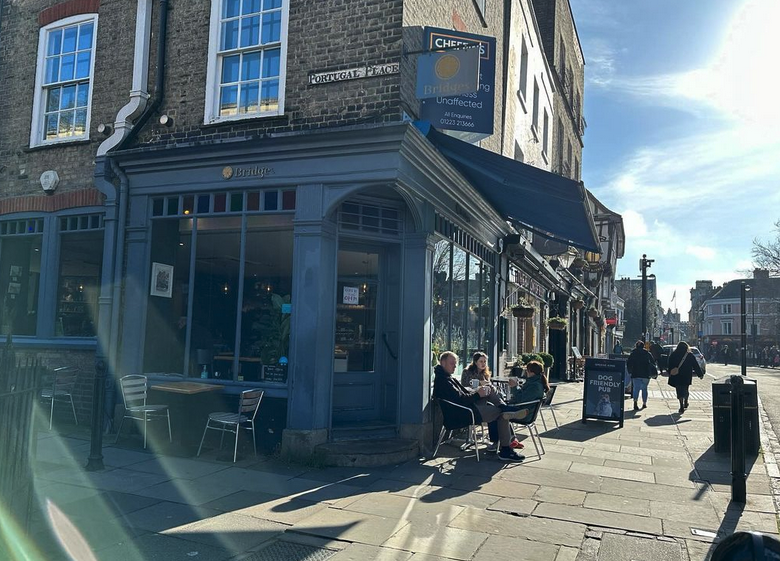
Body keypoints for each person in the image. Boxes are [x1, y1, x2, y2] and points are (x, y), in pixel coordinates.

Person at [433, 351, 525, 462]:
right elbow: (460, 400)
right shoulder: (443, 380)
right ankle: (505, 449)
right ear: (443, 363)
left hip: (468, 408)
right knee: (502, 414)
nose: (455, 366)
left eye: (456, 363)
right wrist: (477, 394)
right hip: (465, 413)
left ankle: (503, 407)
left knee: (489, 389)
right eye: (452, 363)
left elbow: (461, 395)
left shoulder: (446, 377)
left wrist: (478, 392)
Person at [461, 352, 523, 450]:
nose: (483, 364)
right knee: (499, 409)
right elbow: (465, 386)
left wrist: (487, 384)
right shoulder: (467, 372)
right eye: (481, 361)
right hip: (473, 400)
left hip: (485, 399)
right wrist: (481, 384)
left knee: (499, 410)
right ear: (475, 362)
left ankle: (506, 439)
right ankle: (503, 408)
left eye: (485, 361)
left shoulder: (485, 373)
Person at [667, 341, 703, 414]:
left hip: (677, 375)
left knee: (679, 390)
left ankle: (681, 405)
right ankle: (686, 401)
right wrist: (700, 374)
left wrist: (669, 372)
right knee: (686, 388)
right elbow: (695, 365)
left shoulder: (674, 354)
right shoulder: (689, 355)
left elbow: (669, 364)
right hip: (687, 375)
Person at [627, 340, 654, 411]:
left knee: (636, 388)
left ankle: (635, 402)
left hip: (635, 373)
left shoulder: (633, 353)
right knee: (644, 389)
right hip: (646, 374)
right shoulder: (647, 353)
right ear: (643, 346)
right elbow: (653, 362)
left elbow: (629, 363)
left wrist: (630, 371)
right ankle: (644, 403)